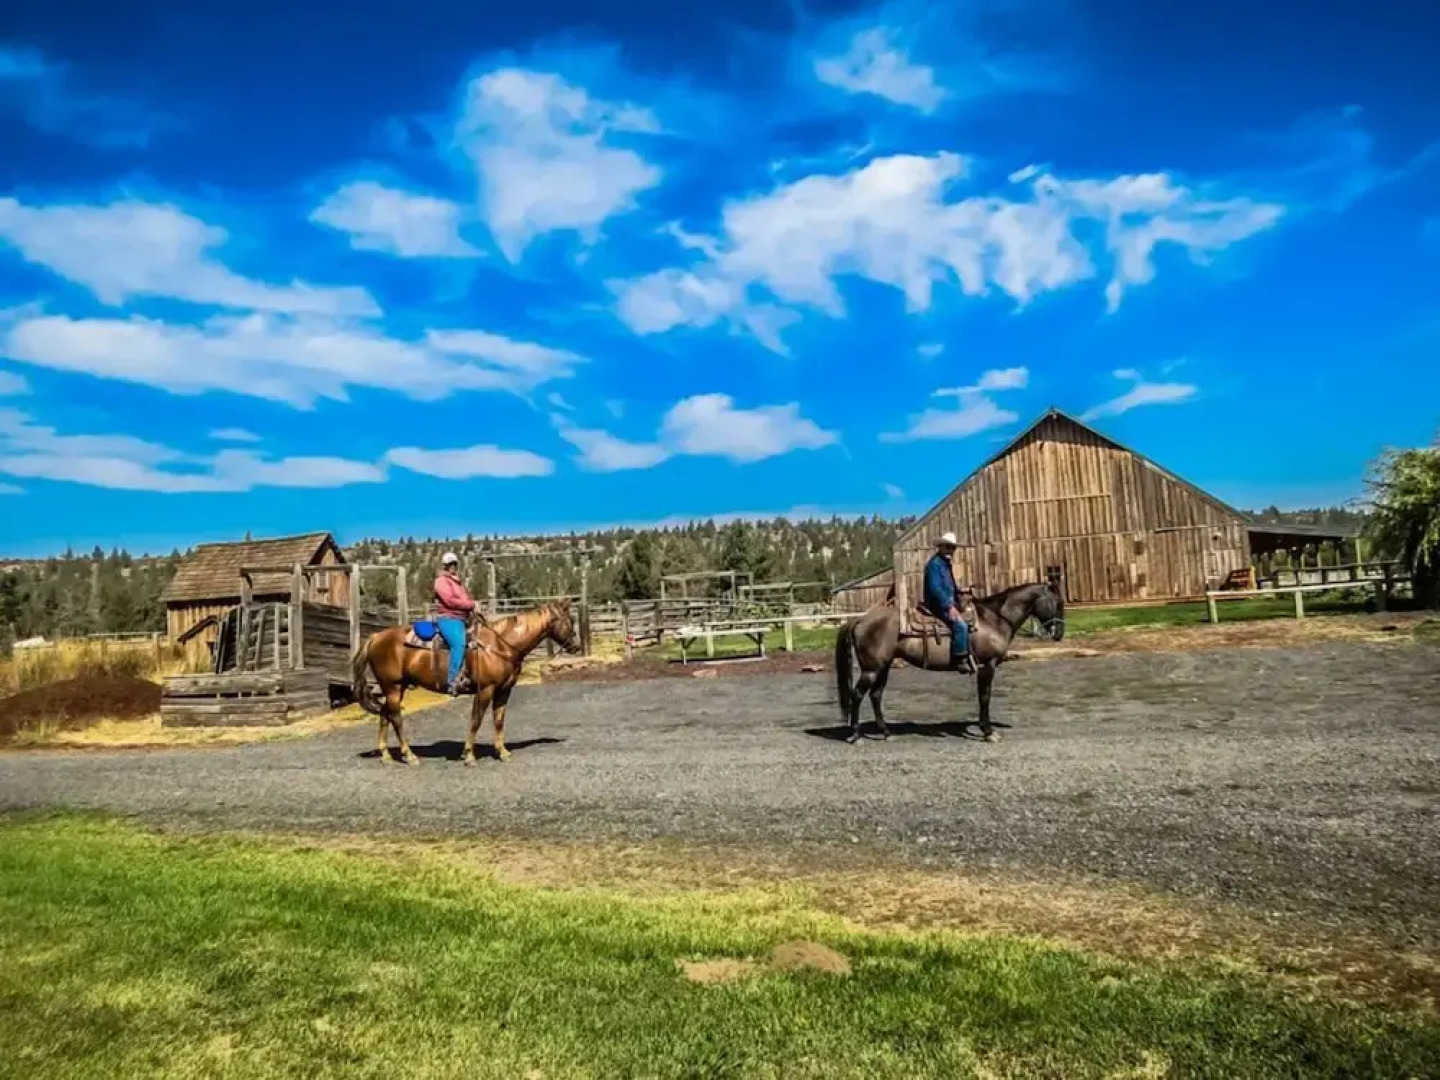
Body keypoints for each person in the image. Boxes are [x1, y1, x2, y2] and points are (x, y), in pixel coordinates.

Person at [923, 532, 975, 674]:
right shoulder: (934, 565)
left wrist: (961, 590)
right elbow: (935, 588)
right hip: (937, 603)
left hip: (947, 600)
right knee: (960, 625)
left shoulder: (945, 564)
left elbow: (949, 585)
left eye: (953, 548)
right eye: (947, 547)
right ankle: (960, 659)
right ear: (940, 547)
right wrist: (949, 606)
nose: (950, 550)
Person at [433, 552, 477, 695]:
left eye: (454, 564)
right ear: (445, 566)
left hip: (461, 618)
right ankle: (452, 681)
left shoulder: (458, 582)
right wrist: (471, 604)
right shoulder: (441, 581)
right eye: (450, 564)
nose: (452, 567)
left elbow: (464, 600)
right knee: (459, 644)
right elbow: (449, 601)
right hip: (448, 618)